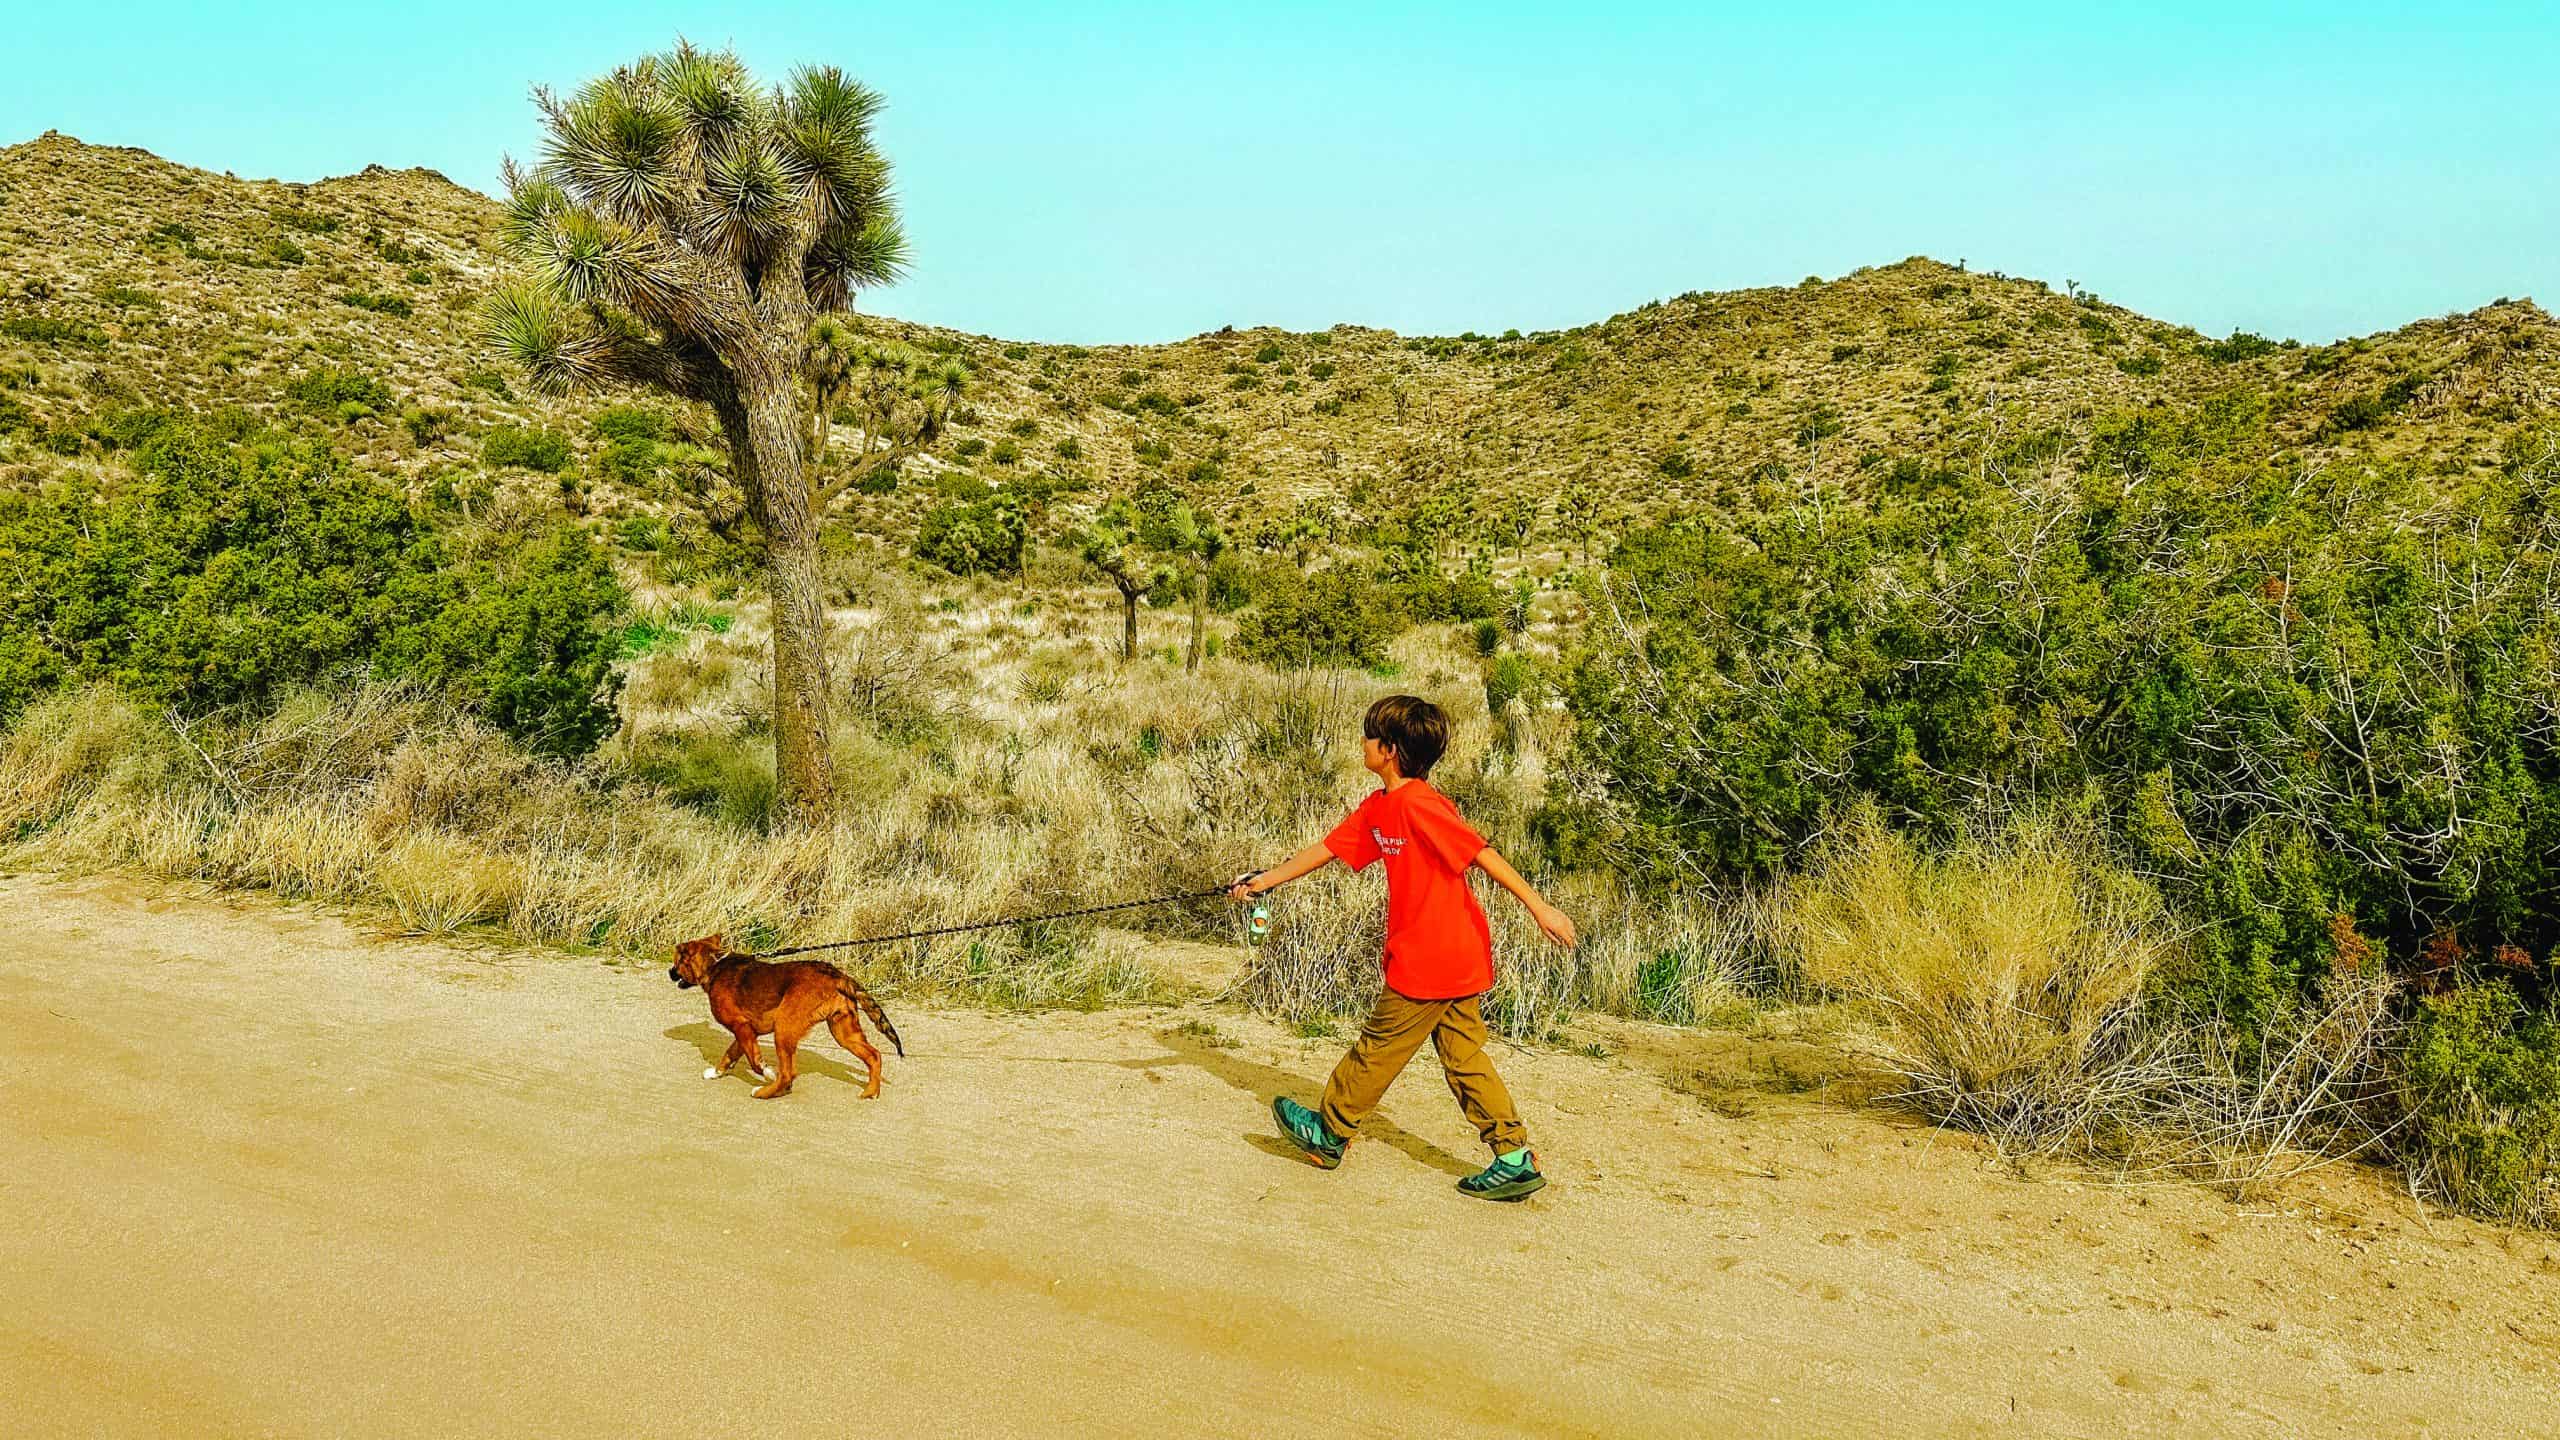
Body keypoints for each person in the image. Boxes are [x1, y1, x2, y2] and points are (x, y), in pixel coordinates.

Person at [1230, 694, 1577, 1201]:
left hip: (1432, 957)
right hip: (1458, 955)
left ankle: (1329, 1131)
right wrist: (1265, 882)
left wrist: (1539, 906)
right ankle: (1514, 1156)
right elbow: (1328, 850)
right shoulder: (1380, 807)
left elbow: (1479, 852)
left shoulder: (1420, 804)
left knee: (1378, 1047)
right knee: (1464, 1057)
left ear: (1389, 750)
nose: (1363, 743)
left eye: (1370, 736)